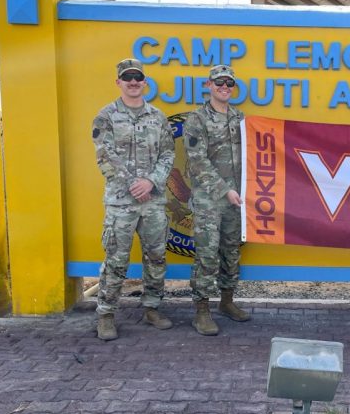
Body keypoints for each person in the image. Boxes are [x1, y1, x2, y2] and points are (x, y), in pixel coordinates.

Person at [92, 58, 175, 341]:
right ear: (118, 82)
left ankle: (152, 307)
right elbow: (105, 157)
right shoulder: (105, 116)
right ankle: (105, 314)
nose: (133, 82)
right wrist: (133, 184)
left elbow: (168, 153)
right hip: (121, 202)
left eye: (138, 77)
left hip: (153, 201)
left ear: (145, 82)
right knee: (116, 259)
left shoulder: (158, 117)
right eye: (127, 77)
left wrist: (151, 181)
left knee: (156, 256)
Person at [183, 65, 251, 336]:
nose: (225, 87)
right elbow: (197, 161)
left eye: (229, 83)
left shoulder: (240, 117)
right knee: (207, 255)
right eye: (220, 82)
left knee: (231, 251)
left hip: (237, 200)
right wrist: (225, 190)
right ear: (208, 84)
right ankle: (201, 311)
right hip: (210, 199)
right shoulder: (197, 119)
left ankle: (227, 301)